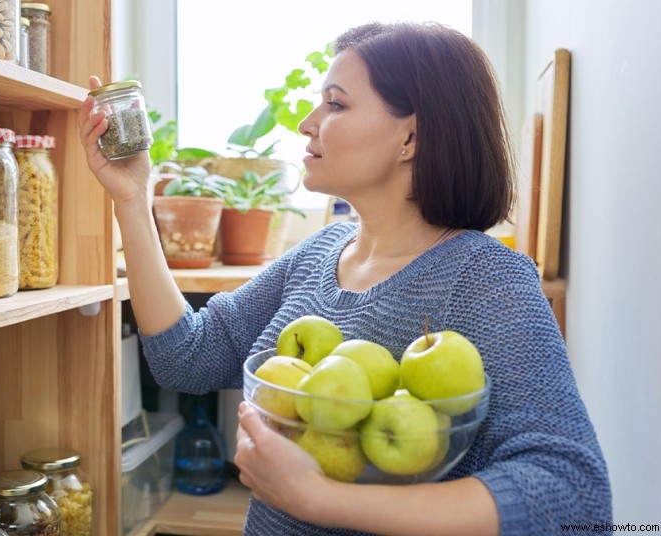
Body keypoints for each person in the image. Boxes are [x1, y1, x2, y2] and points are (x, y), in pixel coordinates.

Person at [79, 20, 611, 536]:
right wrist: (132, 196)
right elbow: (186, 358)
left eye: (335, 103)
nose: (307, 123)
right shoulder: (319, 252)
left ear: (411, 138)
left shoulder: (488, 278)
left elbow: (574, 497)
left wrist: (324, 500)